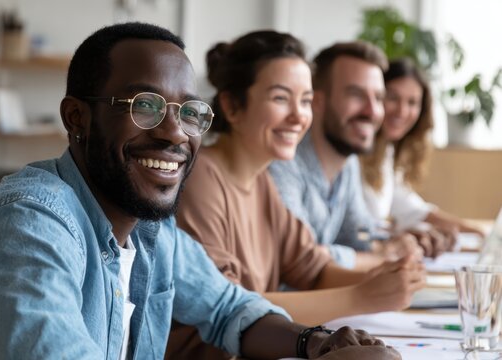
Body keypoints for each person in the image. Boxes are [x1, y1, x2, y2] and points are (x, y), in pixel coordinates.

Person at [0, 23, 400, 360]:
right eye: (144, 106)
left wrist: (317, 343)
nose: (175, 133)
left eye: (189, 112)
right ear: (77, 118)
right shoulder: (27, 226)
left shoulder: (151, 231)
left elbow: (231, 309)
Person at [166, 31, 423, 360]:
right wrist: (363, 294)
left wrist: (385, 279)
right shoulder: (200, 179)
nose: (299, 116)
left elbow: (312, 269)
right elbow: (234, 307)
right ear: (231, 106)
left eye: (304, 101)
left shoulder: (260, 182)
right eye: (280, 98)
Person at [269, 41, 423, 270]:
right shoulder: (281, 163)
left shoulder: (348, 161)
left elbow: (358, 234)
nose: (372, 112)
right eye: (356, 95)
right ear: (317, 101)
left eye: (379, 98)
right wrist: (381, 257)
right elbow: (300, 259)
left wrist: (398, 243)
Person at [359, 58, 484, 257]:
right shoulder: (354, 152)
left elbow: (414, 210)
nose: (402, 111)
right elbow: (357, 229)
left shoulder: (386, 153)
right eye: (392, 97)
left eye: (412, 102)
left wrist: (479, 233)